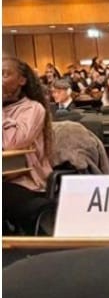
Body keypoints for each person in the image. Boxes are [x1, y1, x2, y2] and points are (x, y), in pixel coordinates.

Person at [3, 57, 54, 235]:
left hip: (26, 182)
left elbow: (12, 143)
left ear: (22, 81)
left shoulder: (33, 109)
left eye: (4, 74)